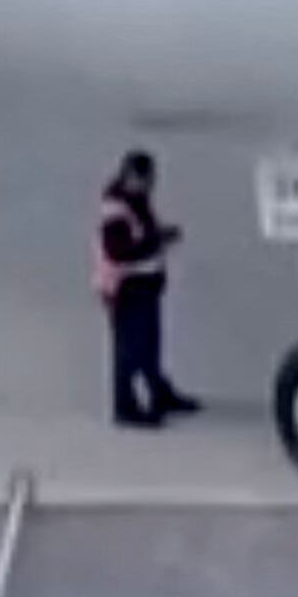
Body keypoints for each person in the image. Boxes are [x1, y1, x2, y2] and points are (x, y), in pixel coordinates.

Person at [94, 154, 195, 427]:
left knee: (150, 345)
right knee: (129, 350)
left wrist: (159, 234)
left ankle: (159, 393)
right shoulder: (115, 211)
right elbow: (118, 252)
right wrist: (157, 241)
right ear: (129, 177)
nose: (150, 185)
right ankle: (125, 408)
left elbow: (142, 233)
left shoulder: (137, 199)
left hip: (145, 285)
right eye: (145, 180)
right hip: (126, 288)